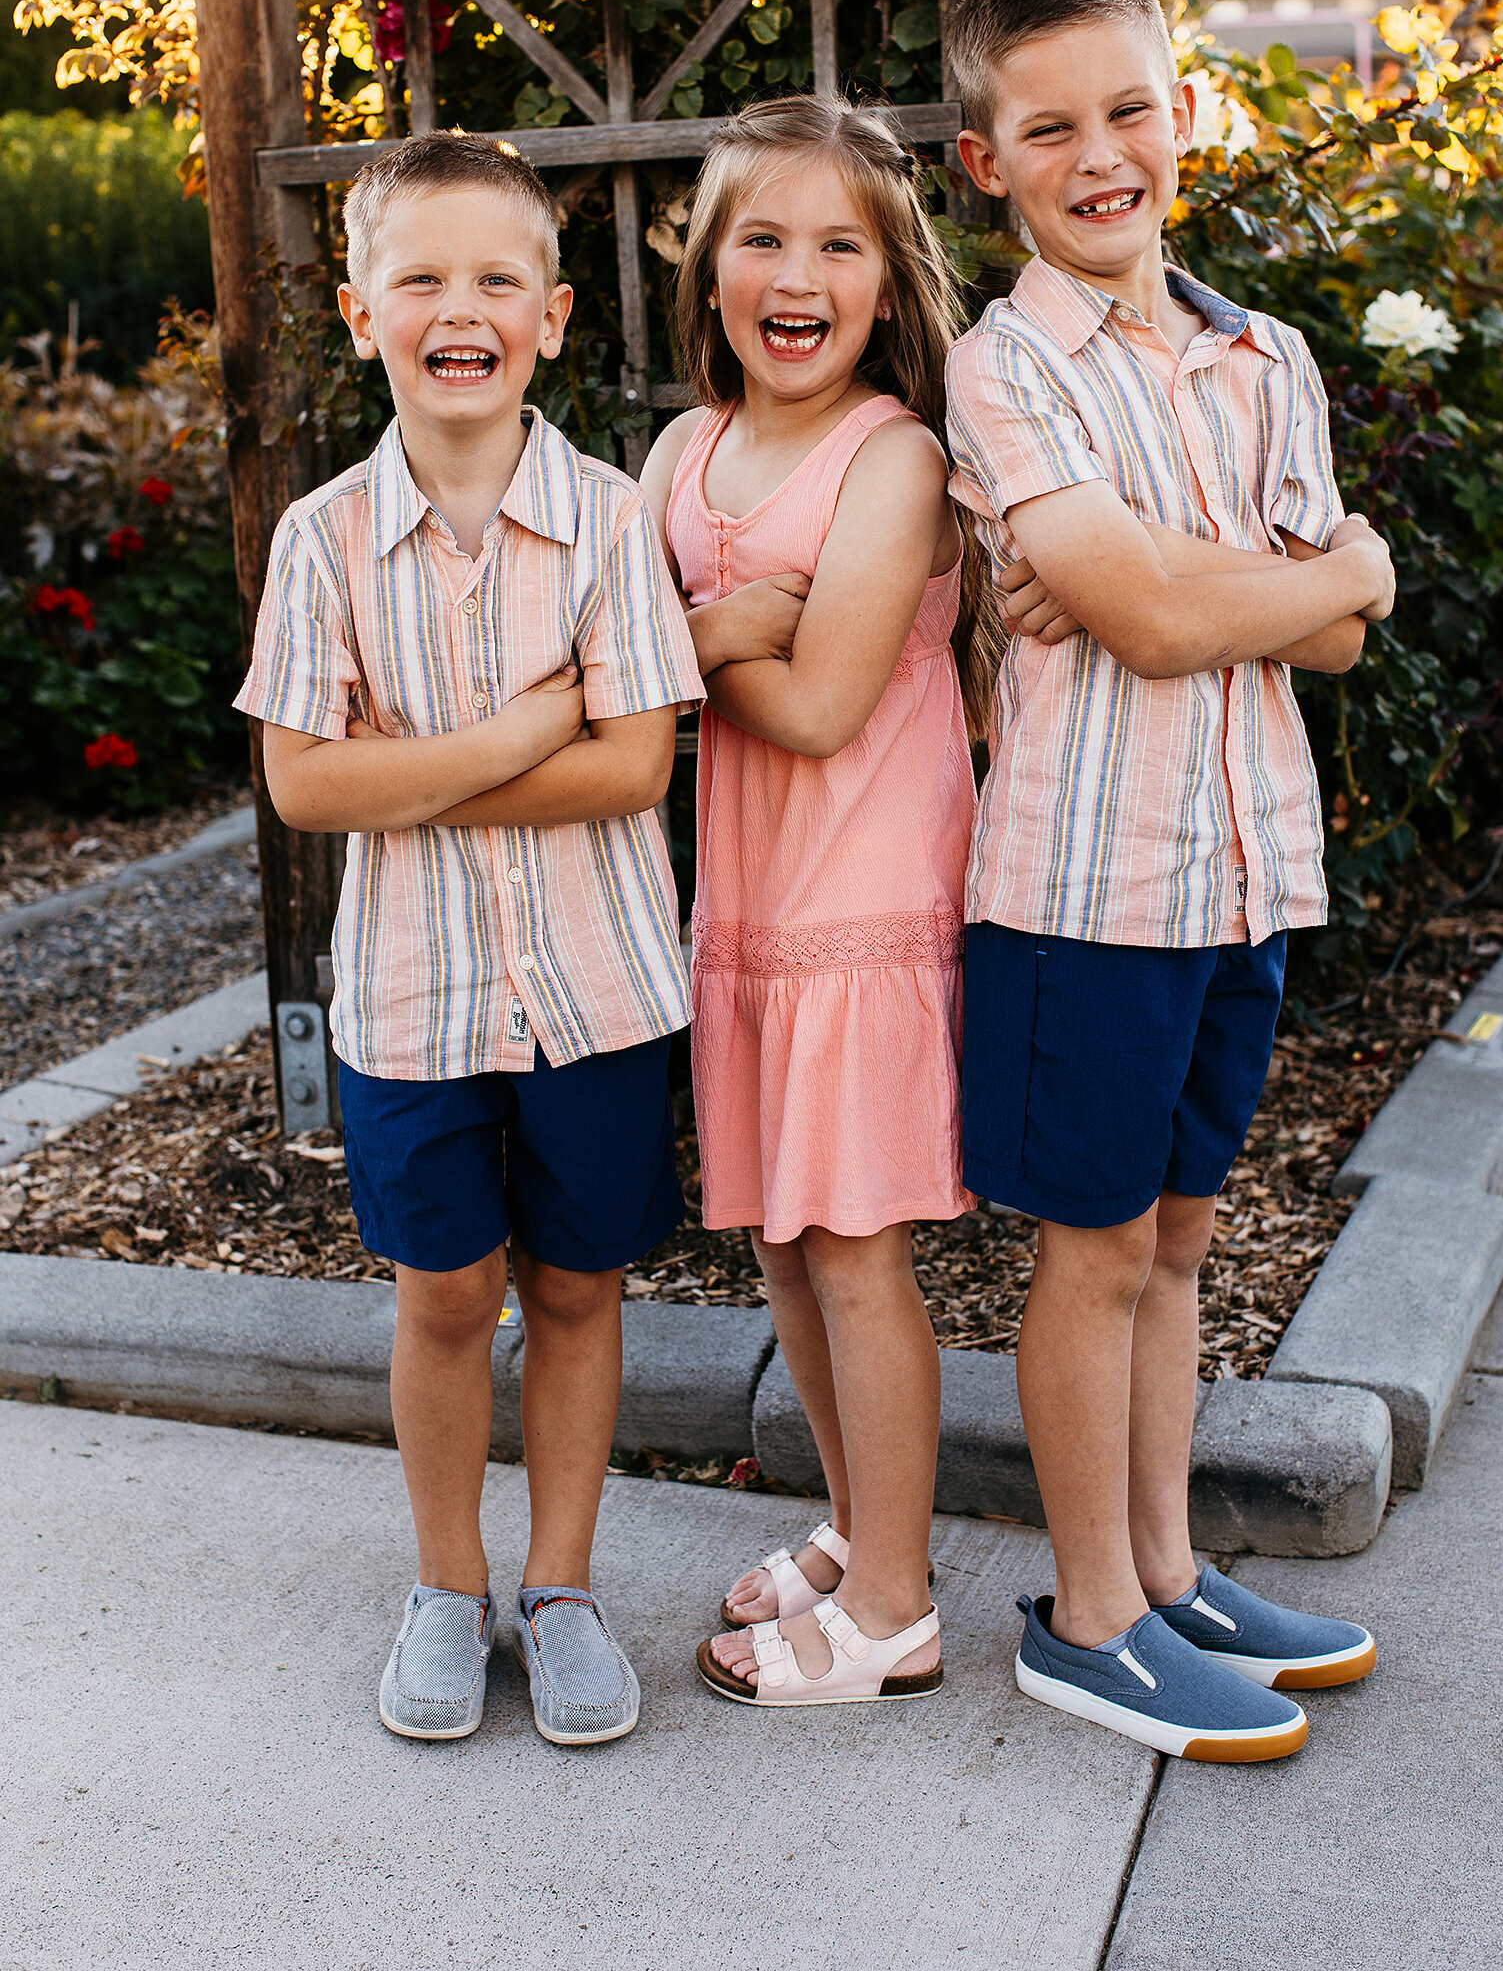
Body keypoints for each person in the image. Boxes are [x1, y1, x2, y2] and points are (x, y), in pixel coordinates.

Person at [940, 0, 1388, 1762]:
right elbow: (1143, 620)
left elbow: (1321, 639)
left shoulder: (1261, 354)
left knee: (1186, 1238)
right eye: (1051, 128)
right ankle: (1089, 1619)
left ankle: (1172, 1567)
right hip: (1087, 889)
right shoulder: (1007, 368)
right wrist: (1320, 573)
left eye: (1130, 109)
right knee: (1099, 1250)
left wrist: (1273, 599)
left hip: (1243, 868)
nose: (1100, 153)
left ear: (1183, 113)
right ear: (990, 164)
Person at [234, 131, 702, 1748]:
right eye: (419, 276)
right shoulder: (319, 543)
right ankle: (448, 1586)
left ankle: (559, 1587)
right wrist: (526, 729)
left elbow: (635, 765)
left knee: (576, 1289)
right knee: (443, 1298)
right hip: (415, 1007)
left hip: (600, 988)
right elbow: (304, 784)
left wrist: (406, 772)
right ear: (362, 313)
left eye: (497, 277)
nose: (460, 306)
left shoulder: (612, 518)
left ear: (556, 316)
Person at [640, 95, 998, 1709]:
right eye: (761, 238)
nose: (797, 272)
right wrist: (736, 624)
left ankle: (898, 1611)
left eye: (837, 243)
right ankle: (860, 1529)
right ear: (708, 267)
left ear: (885, 277)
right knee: (785, 1245)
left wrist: (704, 641)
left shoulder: (896, 457)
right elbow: (620, 663)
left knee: (857, 1253)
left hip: (864, 904)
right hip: (753, 912)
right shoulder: (681, 450)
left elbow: (822, 704)